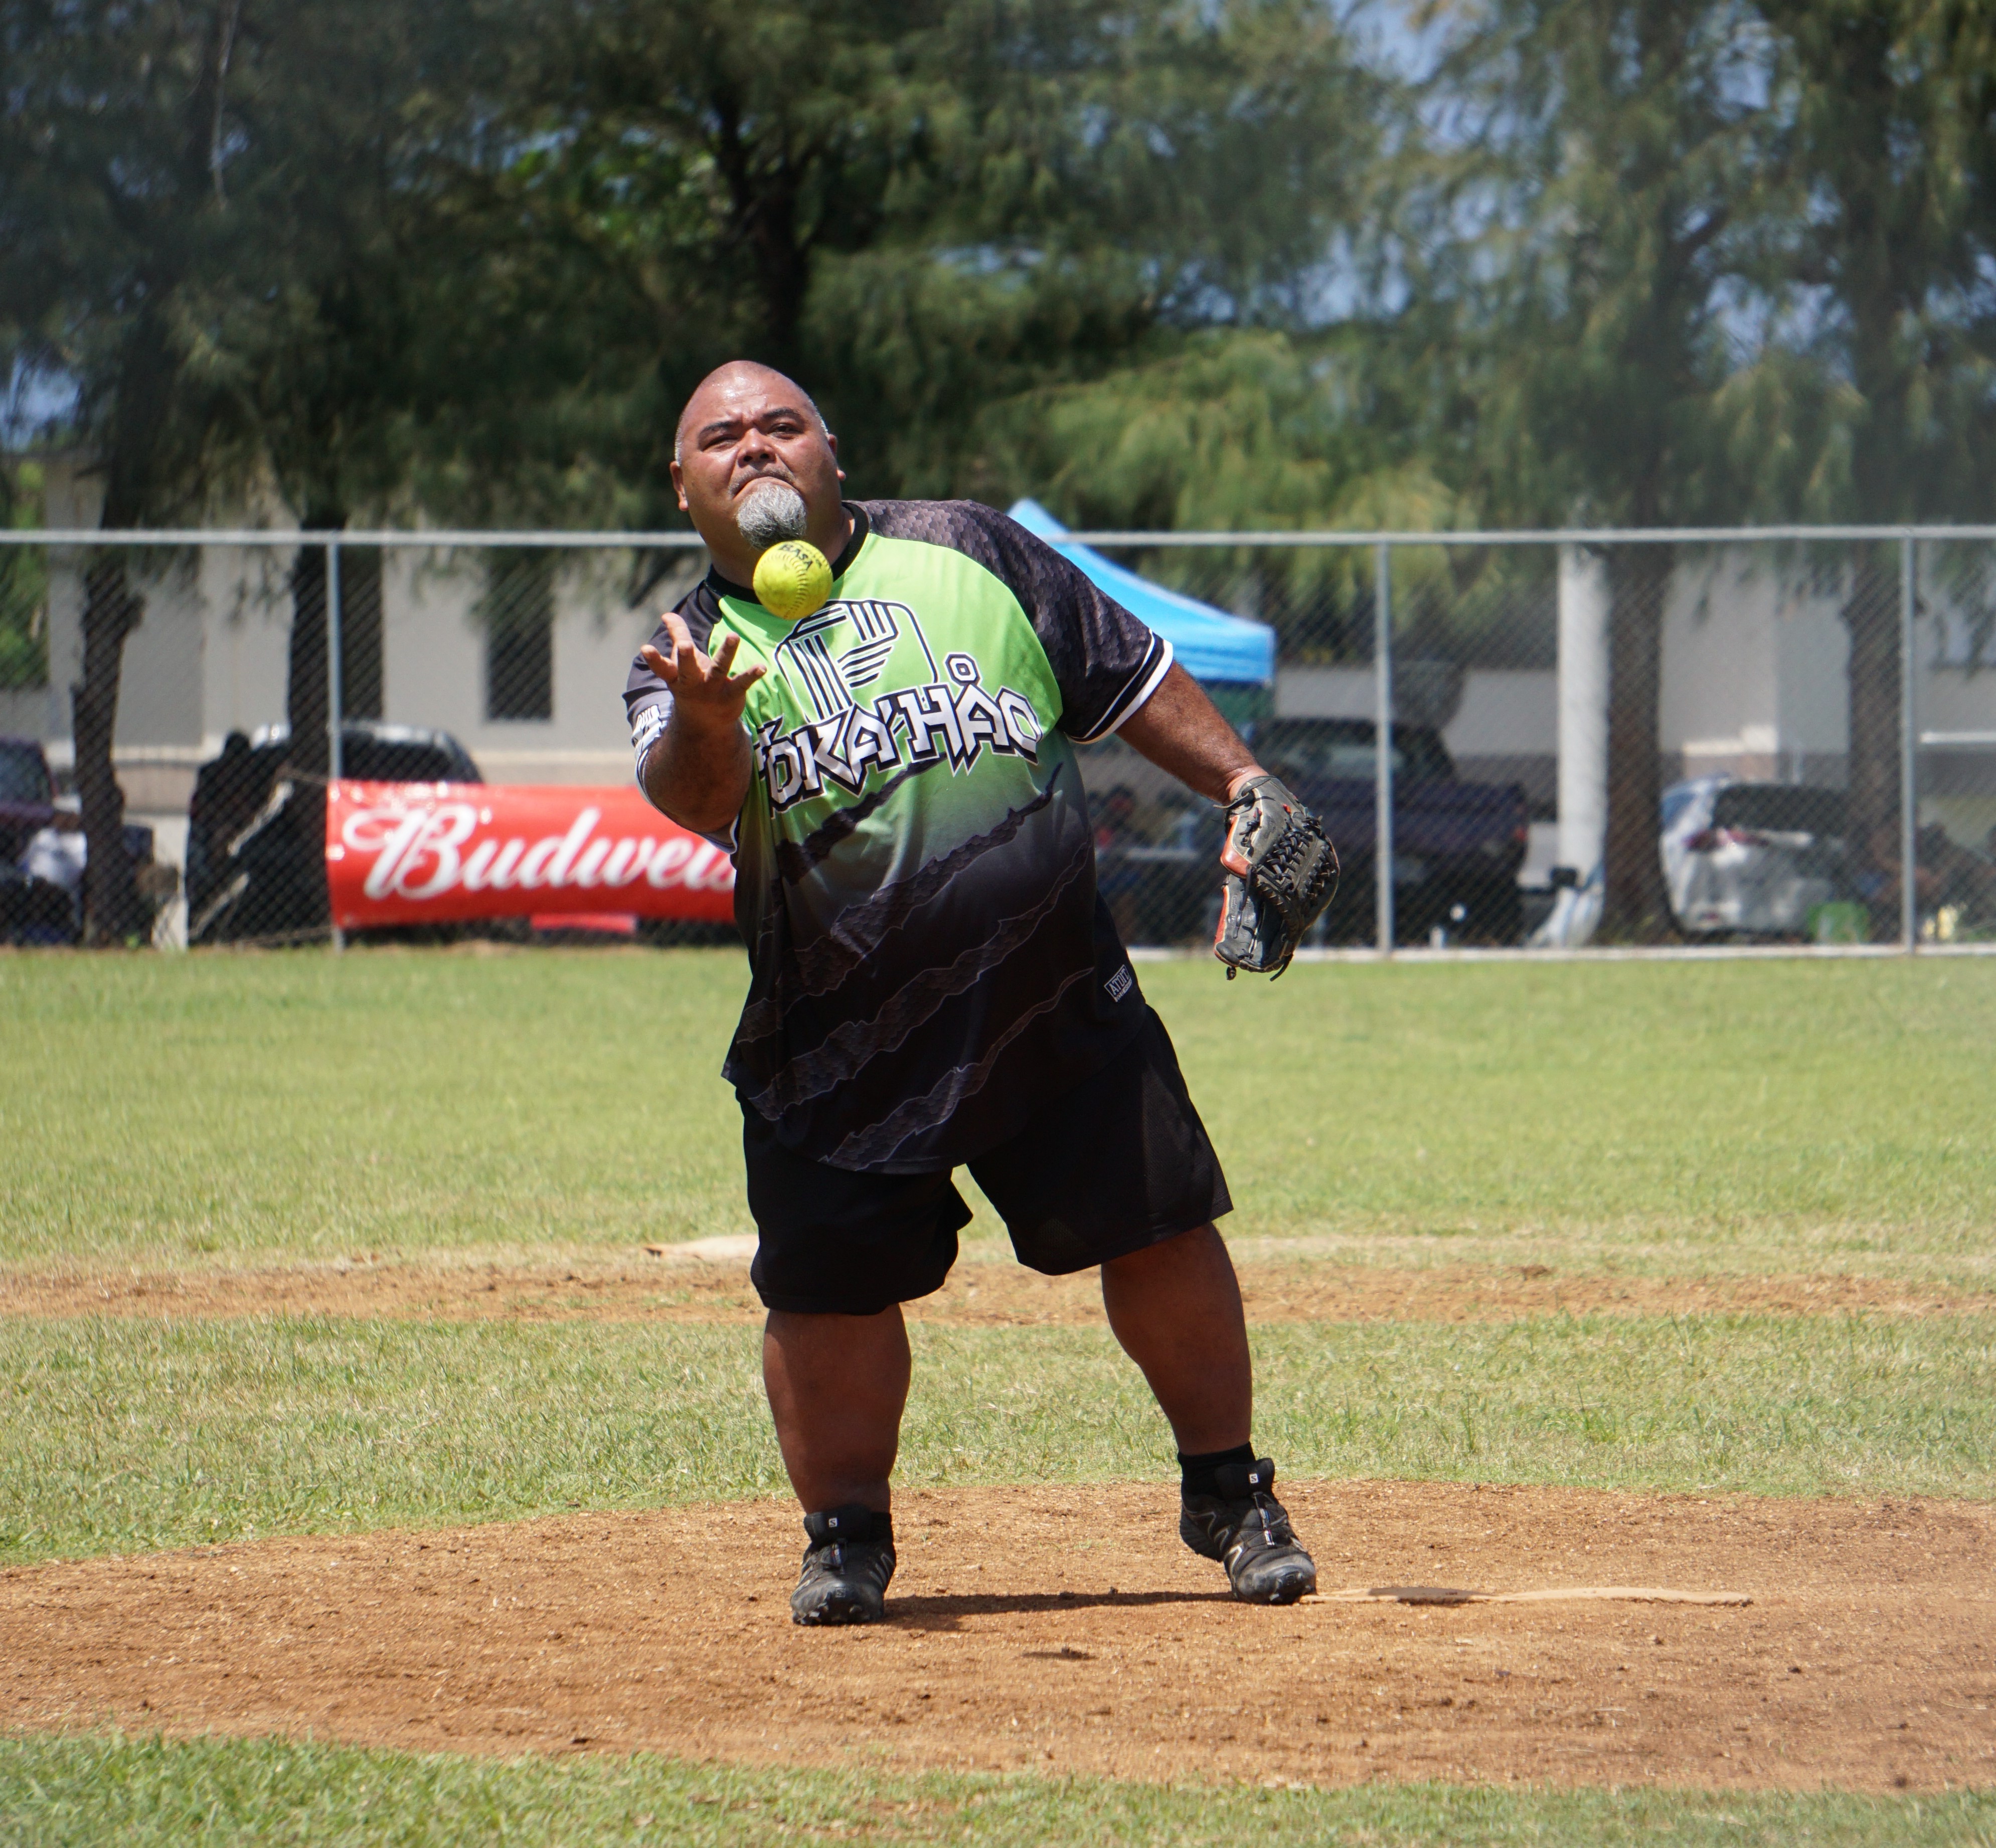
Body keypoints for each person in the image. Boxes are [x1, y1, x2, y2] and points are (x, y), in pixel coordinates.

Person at [623, 361, 1316, 1625]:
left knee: (1162, 1228)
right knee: (825, 1287)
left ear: (833, 450)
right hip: (833, 1032)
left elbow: (1129, 676)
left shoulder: (970, 550)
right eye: (721, 437)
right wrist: (710, 718)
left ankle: (1228, 1491)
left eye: (783, 425)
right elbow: (695, 800)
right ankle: (845, 1538)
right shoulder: (683, 656)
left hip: (1051, 990)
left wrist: (1243, 780)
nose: (756, 447)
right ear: (684, 487)